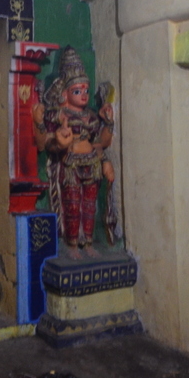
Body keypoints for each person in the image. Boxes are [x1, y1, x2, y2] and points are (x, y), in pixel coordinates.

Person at [32, 47, 115, 259]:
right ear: (65, 94)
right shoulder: (60, 116)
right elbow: (44, 144)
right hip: (70, 166)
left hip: (91, 164)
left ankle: (88, 242)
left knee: (89, 206)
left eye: (86, 90)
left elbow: (100, 143)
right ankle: (72, 244)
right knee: (73, 205)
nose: (84, 95)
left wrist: (108, 124)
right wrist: (56, 138)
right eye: (77, 91)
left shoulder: (91, 117)